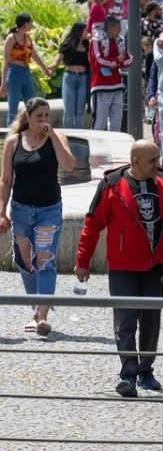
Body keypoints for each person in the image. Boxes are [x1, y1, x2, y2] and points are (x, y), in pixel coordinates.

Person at [75, 140, 163, 397]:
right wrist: (83, 261)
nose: (157, 165)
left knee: (151, 320)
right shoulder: (112, 186)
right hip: (123, 267)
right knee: (125, 321)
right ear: (135, 161)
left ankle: (146, 371)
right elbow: (92, 224)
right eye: (152, 160)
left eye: (158, 158)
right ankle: (128, 373)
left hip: (156, 266)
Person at [0, 98, 76, 335]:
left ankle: (42, 317)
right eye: (39, 116)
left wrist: (53, 137)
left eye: (47, 116)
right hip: (21, 210)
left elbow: (69, 166)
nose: (44, 121)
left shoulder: (57, 138)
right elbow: (5, 180)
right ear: (28, 118)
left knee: (44, 260)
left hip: (48, 210)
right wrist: (2, 211)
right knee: (23, 262)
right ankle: (36, 307)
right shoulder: (13, 142)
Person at [0, 14, 54, 126]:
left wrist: (45, 69)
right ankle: (11, 137)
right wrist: (3, 83)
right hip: (14, 72)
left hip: (26, 72)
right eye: (30, 22)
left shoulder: (27, 37)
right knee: (13, 109)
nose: (32, 24)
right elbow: (5, 61)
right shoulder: (11, 38)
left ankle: (30, 131)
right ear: (25, 24)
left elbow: (33, 55)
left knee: (32, 105)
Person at [54, 21, 89, 128]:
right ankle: (68, 135)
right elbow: (56, 62)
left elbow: (92, 62)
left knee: (79, 112)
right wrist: (46, 68)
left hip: (83, 78)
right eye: (85, 30)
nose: (87, 32)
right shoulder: (66, 45)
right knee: (69, 111)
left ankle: (78, 138)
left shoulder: (87, 45)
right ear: (79, 31)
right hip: (69, 78)